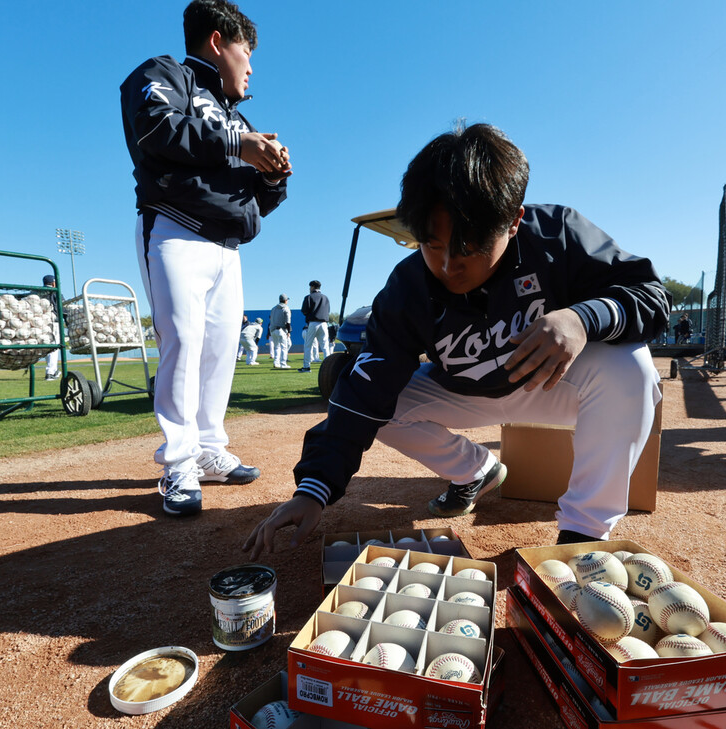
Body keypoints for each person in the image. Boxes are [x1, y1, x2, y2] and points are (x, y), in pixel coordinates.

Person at [244, 122, 670, 559]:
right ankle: (476, 470)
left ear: (514, 220)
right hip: (465, 390)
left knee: (630, 366)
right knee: (370, 396)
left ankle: (584, 534)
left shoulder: (556, 234)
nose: (449, 265)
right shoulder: (407, 286)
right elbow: (361, 394)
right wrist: (313, 490)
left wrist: (583, 319)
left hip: (553, 388)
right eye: (431, 243)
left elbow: (653, 297)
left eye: (469, 245)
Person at [120, 0, 291, 516]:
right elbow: (157, 129)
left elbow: (252, 202)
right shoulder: (164, 73)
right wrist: (241, 143)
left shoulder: (237, 117)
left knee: (219, 351)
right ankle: (177, 464)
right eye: (247, 53)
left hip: (227, 245)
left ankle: (210, 449)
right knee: (185, 343)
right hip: (175, 228)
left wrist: (273, 177)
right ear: (218, 42)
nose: (251, 66)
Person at [299, 280, 330, 372]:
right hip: (324, 323)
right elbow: (328, 310)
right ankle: (328, 367)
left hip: (313, 323)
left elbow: (304, 311)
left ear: (312, 287)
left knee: (308, 345)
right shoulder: (325, 297)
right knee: (325, 346)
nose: (309, 289)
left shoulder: (308, 297)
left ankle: (306, 367)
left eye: (310, 287)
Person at [42, 275, 62, 381]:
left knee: (48, 347)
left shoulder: (38, 292)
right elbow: (62, 308)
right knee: (54, 347)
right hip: (53, 322)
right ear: (53, 283)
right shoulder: (55, 292)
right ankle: (50, 373)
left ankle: (53, 370)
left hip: (40, 324)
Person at [269, 294, 292, 368]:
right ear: (285, 300)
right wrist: (288, 332)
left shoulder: (273, 308)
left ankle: (276, 363)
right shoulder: (286, 308)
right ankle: (283, 364)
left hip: (272, 330)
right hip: (281, 330)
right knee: (284, 347)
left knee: (276, 347)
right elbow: (288, 322)